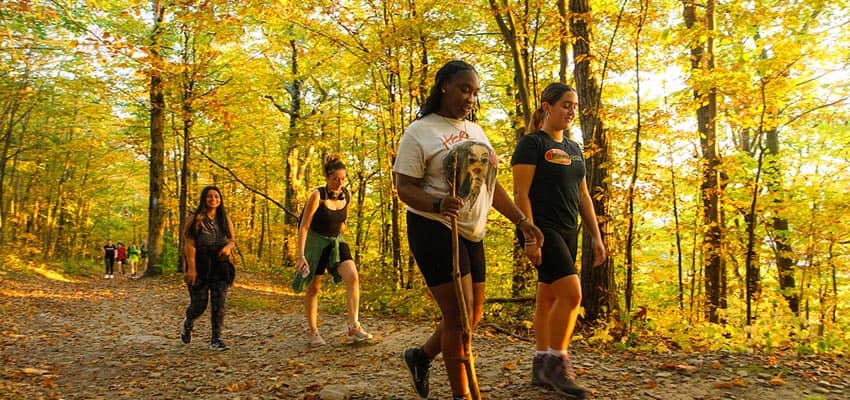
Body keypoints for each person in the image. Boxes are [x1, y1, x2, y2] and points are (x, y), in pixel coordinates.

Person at [394, 60, 544, 400]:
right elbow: (404, 186)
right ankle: (463, 395)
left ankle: (420, 356)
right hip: (434, 227)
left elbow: (491, 185)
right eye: (465, 89)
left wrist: (522, 220)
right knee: (457, 318)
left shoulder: (476, 132)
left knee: (472, 315)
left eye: (475, 93)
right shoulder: (420, 132)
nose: (470, 99)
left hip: (472, 230)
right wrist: (435, 204)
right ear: (444, 86)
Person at [511, 83, 607, 399]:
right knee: (572, 295)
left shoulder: (574, 148)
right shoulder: (531, 145)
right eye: (565, 104)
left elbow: (583, 196)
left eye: (575, 106)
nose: (571, 111)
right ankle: (557, 362)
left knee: (549, 298)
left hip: (569, 230)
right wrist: (529, 236)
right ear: (547, 107)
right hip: (542, 229)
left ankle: (540, 363)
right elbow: (520, 193)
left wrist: (596, 235)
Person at [293, 154, 372, 347]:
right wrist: (300, 255)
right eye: (336, 179)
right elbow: (303, 226)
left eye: (343, 178)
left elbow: (343, 221)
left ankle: (354, 326)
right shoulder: (317, 195)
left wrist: (340, 230)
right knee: (314, 288)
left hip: (337, 242)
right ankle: (313, 331)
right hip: (317, 243)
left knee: (353, 276)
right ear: (328, 178)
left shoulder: (348, 195)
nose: (340, 182)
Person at [180, 186, 237, 351]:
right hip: (200, 263)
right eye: (210, 196)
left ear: (220, 200)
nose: (213, 199)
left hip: (220, 264)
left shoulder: (224, 219)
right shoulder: (194, 219)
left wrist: (228, 247)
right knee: (199, 304)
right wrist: (192, 268)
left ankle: (216, 338)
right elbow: (189, 244)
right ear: (204, 199)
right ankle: (188, 322)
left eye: (216, 196)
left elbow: (232, 239)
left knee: (219, 302)